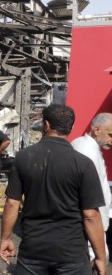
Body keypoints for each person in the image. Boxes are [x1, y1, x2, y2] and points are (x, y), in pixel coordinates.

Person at [0, 104, 107, 274]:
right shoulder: (83, 164)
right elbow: (91, 215)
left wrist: (5, 238)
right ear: (70, 128)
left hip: (33, 250)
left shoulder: (23, 158)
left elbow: (12, 203)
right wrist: (101, 257)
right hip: (72, 254)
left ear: (46, 125)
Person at [72, 112, 112, 262]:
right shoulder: (87, 151)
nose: (111, 140)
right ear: (97, 130)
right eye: (110, 135)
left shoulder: (83, 145)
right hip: (90, 223)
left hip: (92, 222)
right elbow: (87, 194)